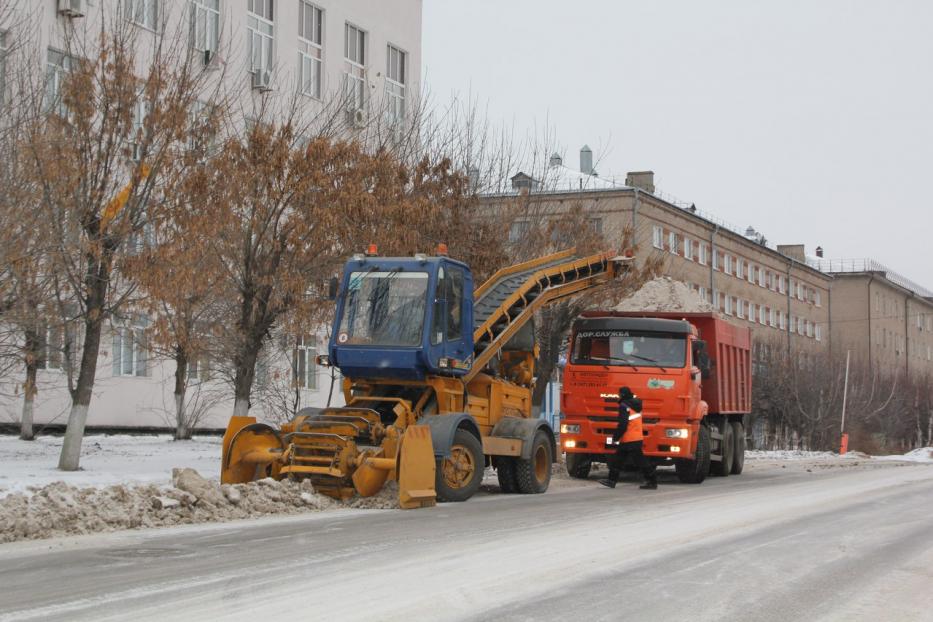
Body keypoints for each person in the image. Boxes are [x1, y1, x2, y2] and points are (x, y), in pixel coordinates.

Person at [599, 386, 658, 490]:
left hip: (629, 439)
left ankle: (652, 481)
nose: (618, 396)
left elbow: (623, 424)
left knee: (638, 461)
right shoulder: (636, 404)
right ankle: (611, 481)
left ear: (622, 395)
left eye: (619, 394)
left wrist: (616, 437)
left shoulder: (624, 405)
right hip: (635, 438)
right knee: (620, 460)